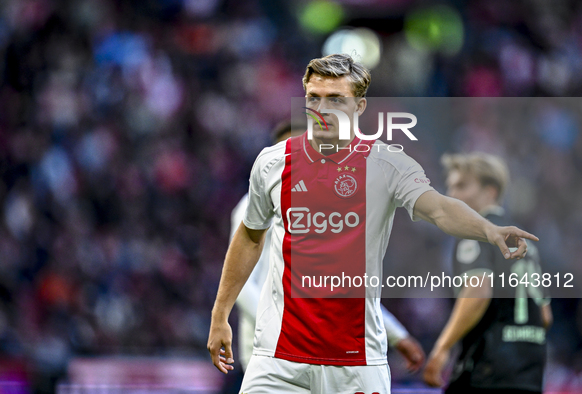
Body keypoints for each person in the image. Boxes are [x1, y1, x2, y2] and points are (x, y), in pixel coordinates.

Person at [207, 53, 537, 393]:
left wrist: (487, 229)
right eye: (314, 98)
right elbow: (249, 238)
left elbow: (438, 208)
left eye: (336, 99)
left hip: (356, 362)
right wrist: (220, 315)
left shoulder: (386, 164)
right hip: (279, 360)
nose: (323, 108)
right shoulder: (272, 163)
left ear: (359, 106)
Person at [232, 121, 425, 374]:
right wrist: (279, 326)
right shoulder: (253, 205)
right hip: (271, 351)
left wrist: (396, 335)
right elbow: (240, 282)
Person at [423, 152, 553, 393]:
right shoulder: (527, 245)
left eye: (461, 185)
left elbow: (478, 291)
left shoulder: (478, 235)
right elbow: (545, 316)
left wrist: (442, 347)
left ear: (490, 192)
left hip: (486, 369)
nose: (452, 194)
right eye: (450, 186)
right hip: (529, 373)